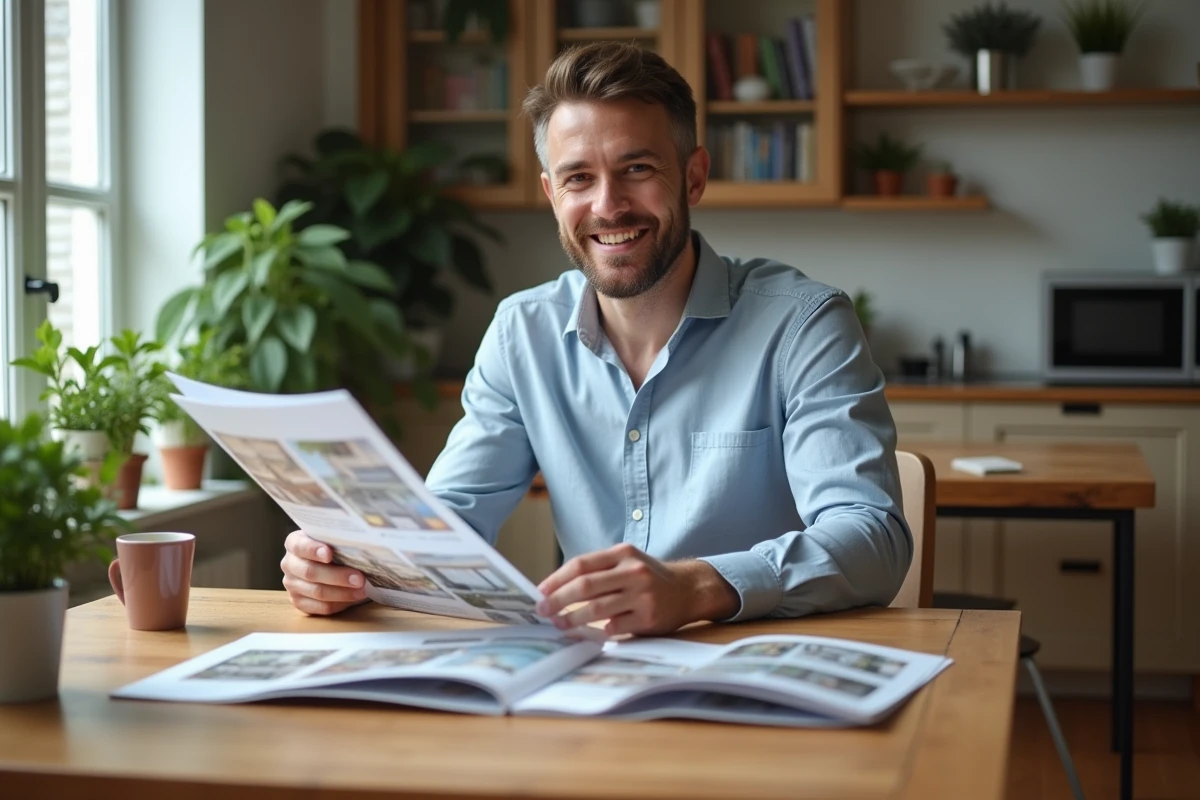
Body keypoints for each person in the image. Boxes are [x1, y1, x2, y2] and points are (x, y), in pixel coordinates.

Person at [280, 42, 912, 635]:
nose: (609, 206)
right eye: (578, 178)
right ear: (553, 195)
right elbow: (447, 525)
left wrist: (695, 586)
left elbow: (873, 539)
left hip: (768, 670)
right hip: (594, 683)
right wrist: (350, 566)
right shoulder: (521, 333)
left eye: (637, 168)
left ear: (693, 177)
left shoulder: (803, 325)